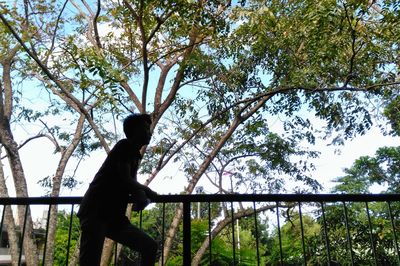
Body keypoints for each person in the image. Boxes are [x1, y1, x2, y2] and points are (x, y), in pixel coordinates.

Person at [77, 113, 158, 266]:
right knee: (90, 262)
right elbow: (125, 179)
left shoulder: (134, 154)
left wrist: (140, 193)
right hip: (96, 211)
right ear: (134, 130)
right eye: (145, 128)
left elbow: (130, 181)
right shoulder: (124, 146)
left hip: (114, 216)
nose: (149, 132)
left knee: (150, 246)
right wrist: (149, 192)